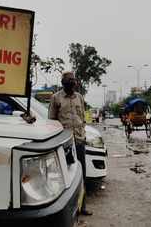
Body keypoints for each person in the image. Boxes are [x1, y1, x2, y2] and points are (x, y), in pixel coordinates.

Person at [49, 71, 93, 217]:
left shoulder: (79, 97)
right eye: (69, 80)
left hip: (79, 141)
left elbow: (82, 118)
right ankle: (68, 209)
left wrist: (83, 134)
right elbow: (52, 122)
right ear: (63, 83)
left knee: (81, 174)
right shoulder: (56, 98)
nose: (72, 82)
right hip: (64, 144)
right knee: (64, 176)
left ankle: (83, 206)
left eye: (73, 80)